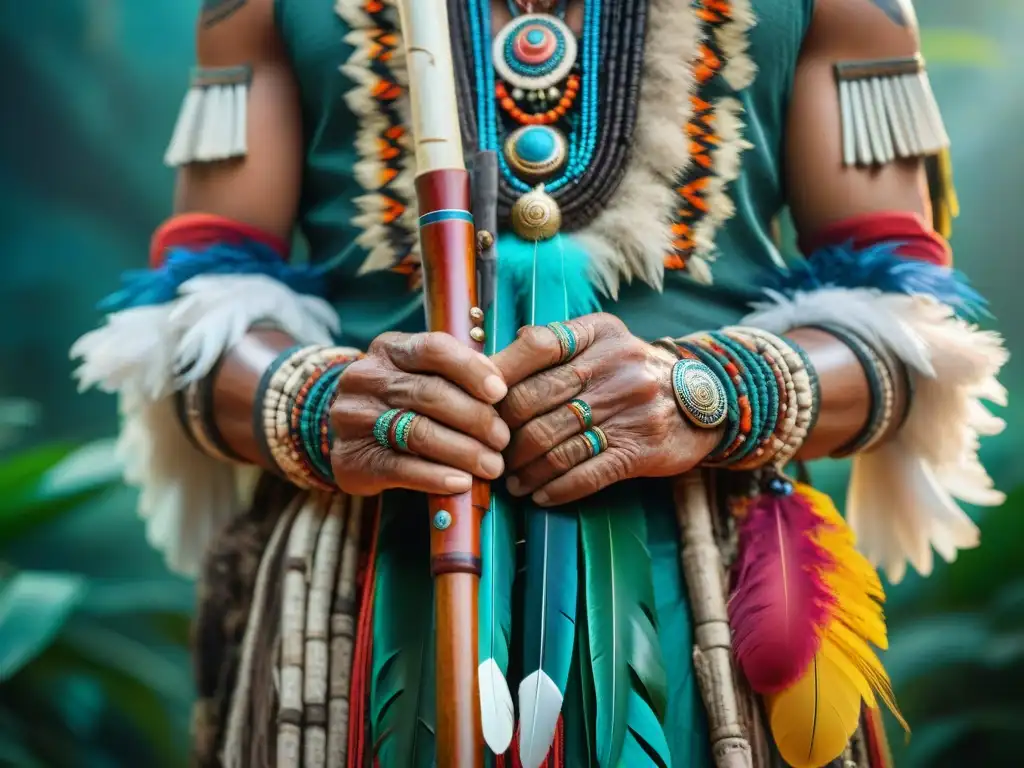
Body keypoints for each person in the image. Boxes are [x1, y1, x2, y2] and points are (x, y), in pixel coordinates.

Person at [72, 0, 1007, 765]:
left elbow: (914, 334)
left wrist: (712, 394)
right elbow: (187, 317)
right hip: (355, 614)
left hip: (708, 606)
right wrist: (319, 404)